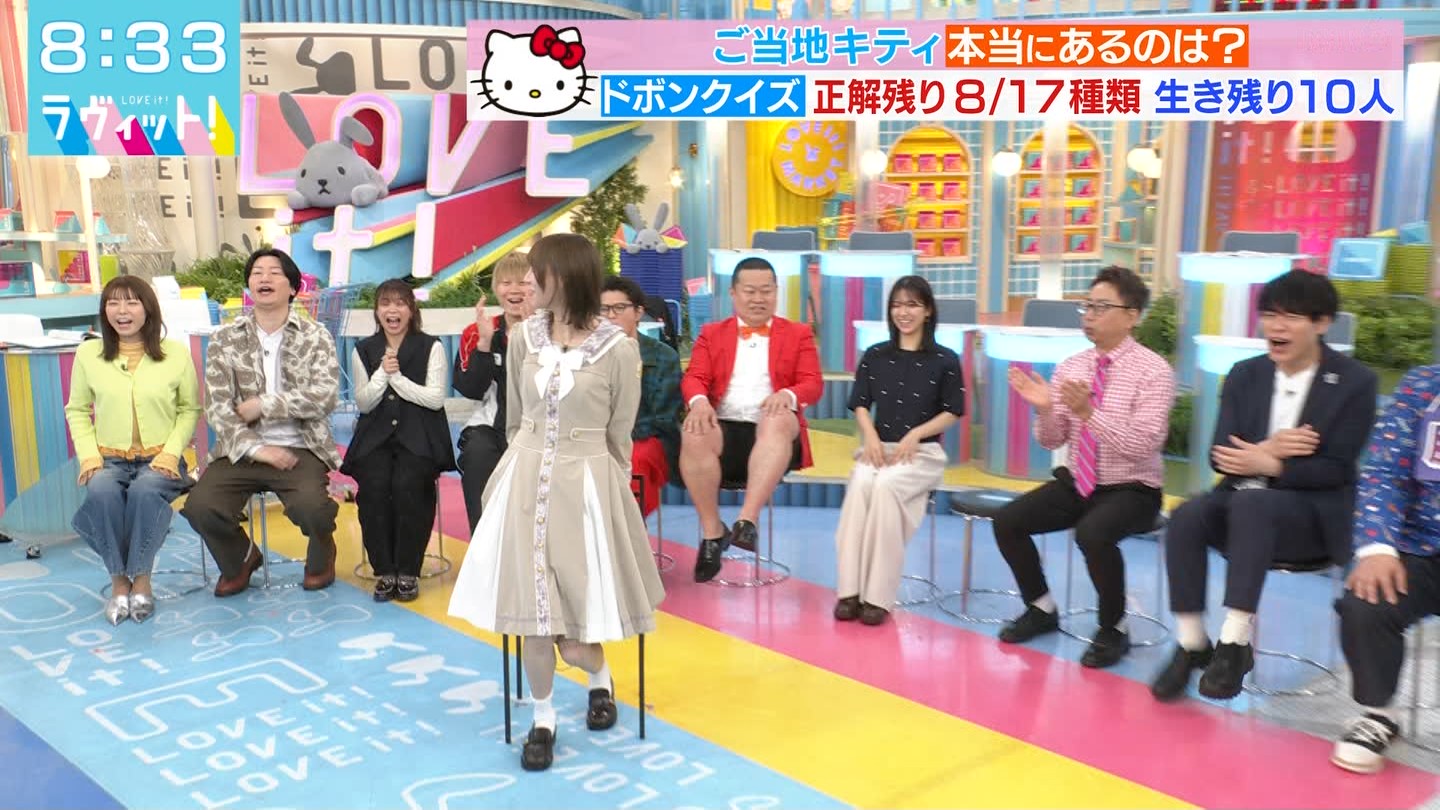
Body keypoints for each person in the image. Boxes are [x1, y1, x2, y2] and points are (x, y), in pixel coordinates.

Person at [447, 233, 664, 773]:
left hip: (586, 485)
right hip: (525, 478)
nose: (526, 283)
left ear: (563, 278)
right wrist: (516, 468)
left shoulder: (618, 349)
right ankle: (542, 720)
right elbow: (517, 416)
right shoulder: (523, 337)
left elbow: (620, 432)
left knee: (575, 633)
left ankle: (599, 678)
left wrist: (608, 492)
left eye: (535, 274)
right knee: (533, 616)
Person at [1152, 269, 1377, 701]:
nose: (1276, 327)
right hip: (1243, 505)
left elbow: (1336, 469)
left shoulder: (1355, 382)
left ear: (1322, 323)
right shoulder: (1245, 374)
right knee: (1187, 515)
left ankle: (1234, 642)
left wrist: (1270, 464)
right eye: (1270, 315)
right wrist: (1270, 449)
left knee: (1253, 504)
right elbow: (1220, 454)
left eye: (1290, 317)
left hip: (1311, 518)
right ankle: (1192, 641)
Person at [994, 265, 1175, 669]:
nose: (1089, 316)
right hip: (1079, 482)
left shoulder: (1154, 372)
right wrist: (1045, 409)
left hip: (1134, 488)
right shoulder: (1071, 366)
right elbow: (1052, 440)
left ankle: (1114, 627)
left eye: (1101, 307)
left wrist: (1089, 414)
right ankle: (1041, 607)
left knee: (1093, 533)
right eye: (1087, 307)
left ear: (1132, 316)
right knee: (1007, 522)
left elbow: (1142, 446)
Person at [180, 248, 342, 596]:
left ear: (293, 287)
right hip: (241, 448)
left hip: (301, 446)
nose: (264, 278)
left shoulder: (316, 336)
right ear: (249, 285)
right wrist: (256, 448)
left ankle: (323, 552)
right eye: (257, 272)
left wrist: (266, 405)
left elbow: (326, 396)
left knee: (313, 509)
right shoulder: (225, 339)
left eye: (274, 272)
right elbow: (218, 407)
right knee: (200, 507)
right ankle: (241, 559)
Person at [65, 276, 201, 624]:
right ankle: (119, 582)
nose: (121, 311)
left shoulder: (175, 354)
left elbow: (189, 409)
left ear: (148, 309)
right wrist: (90, 458)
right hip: (109, 458)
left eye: (131, 302)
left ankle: (141, 580)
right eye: (113, 303)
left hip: (161, 458)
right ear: (104, 311)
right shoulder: (88, 354)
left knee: (144, 491)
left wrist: (170, 454)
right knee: (101, 491)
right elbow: (77, 410)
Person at [680, 257, 823, 583]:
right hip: (723, 427)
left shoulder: (798, 333)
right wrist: (699, 402)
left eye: (766, 291)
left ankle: (747, 521)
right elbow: (694, 377)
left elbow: (812, 383)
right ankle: (713, 533)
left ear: (776, 292)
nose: (759, 299)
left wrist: (787, 395)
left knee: (777, 417)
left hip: (774, 432)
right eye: (750, 291)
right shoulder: (711, 333)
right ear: (733, 293)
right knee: (694, 430)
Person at [834, 276, 965, 626]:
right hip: (879, 448)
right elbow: (860, 404)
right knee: (862, 483)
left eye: (912, 305)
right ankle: (849, 591)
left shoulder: (946, 359)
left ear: (928, 310)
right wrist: (870, 438)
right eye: (897, 305)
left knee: (885, 486)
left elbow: (953, 411)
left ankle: (877, 596)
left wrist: (915, 435)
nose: (903, 312)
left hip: (922, 453)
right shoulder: (875, 355)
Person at [1331, 365, 1440, 774]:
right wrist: (1377, 548)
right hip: (1421, 546)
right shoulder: (1423, 386)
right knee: (1366, 603)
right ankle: (1379, 714)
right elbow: (1384, 470)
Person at [340, 280, 456, 602]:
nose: (393, 310)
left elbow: (434, 399)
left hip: (419, 434)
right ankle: (385, 570)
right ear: (377, 311)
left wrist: (398, 379)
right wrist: (382, 374)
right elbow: (364, 402)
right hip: (376, 436)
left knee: (410, 484)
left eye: (400, 303)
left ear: (411, 310)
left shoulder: (431, 346)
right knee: (374, 486)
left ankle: (408, 569)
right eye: (386, 303)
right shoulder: (363, 350)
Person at [454, 252, 533, 534]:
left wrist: (531, 336)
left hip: (538, 428)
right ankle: (483, 544)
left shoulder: (553, 330)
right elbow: (470, 389)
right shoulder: (477, 332)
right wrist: (485, 345)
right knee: (476, 455)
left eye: (523, 283)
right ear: (496, 289)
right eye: (506, 283)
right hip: (491, 426)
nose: (514, 290)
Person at [600, 275, 681, 517]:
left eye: (619, 308)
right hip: (599, 438)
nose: (611, 316)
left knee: (635, 459)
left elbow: (663, 419)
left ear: (638, 312)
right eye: (603, 309)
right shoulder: (587, 356)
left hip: (648, 439)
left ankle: (630, 530)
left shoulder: (663, 356)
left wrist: (617, 437)